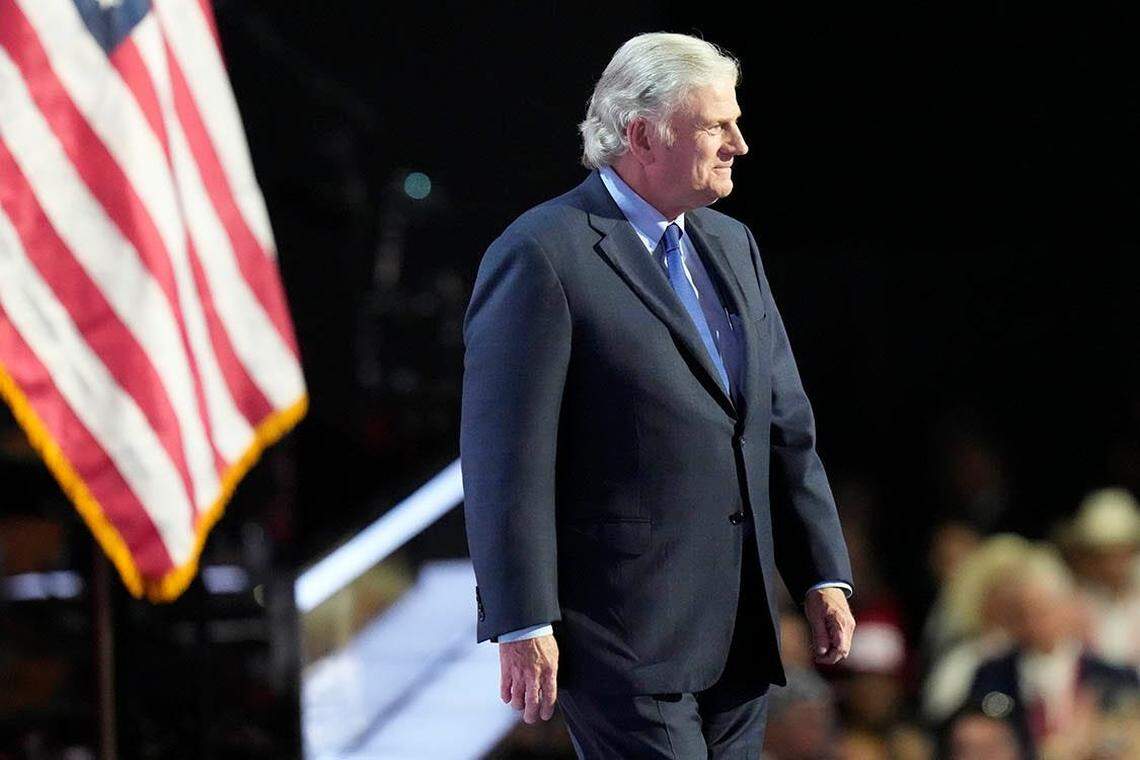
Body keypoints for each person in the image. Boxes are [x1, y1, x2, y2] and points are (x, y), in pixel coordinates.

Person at [460, 32, 855, 757]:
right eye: (716, 125)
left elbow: (781, 426)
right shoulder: (543, 253)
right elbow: (503, 460)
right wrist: (522, 620)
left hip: (738, 632)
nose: (739, 142)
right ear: (642, 134)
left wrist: (820, 571)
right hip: (622, 635)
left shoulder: (734, 245)